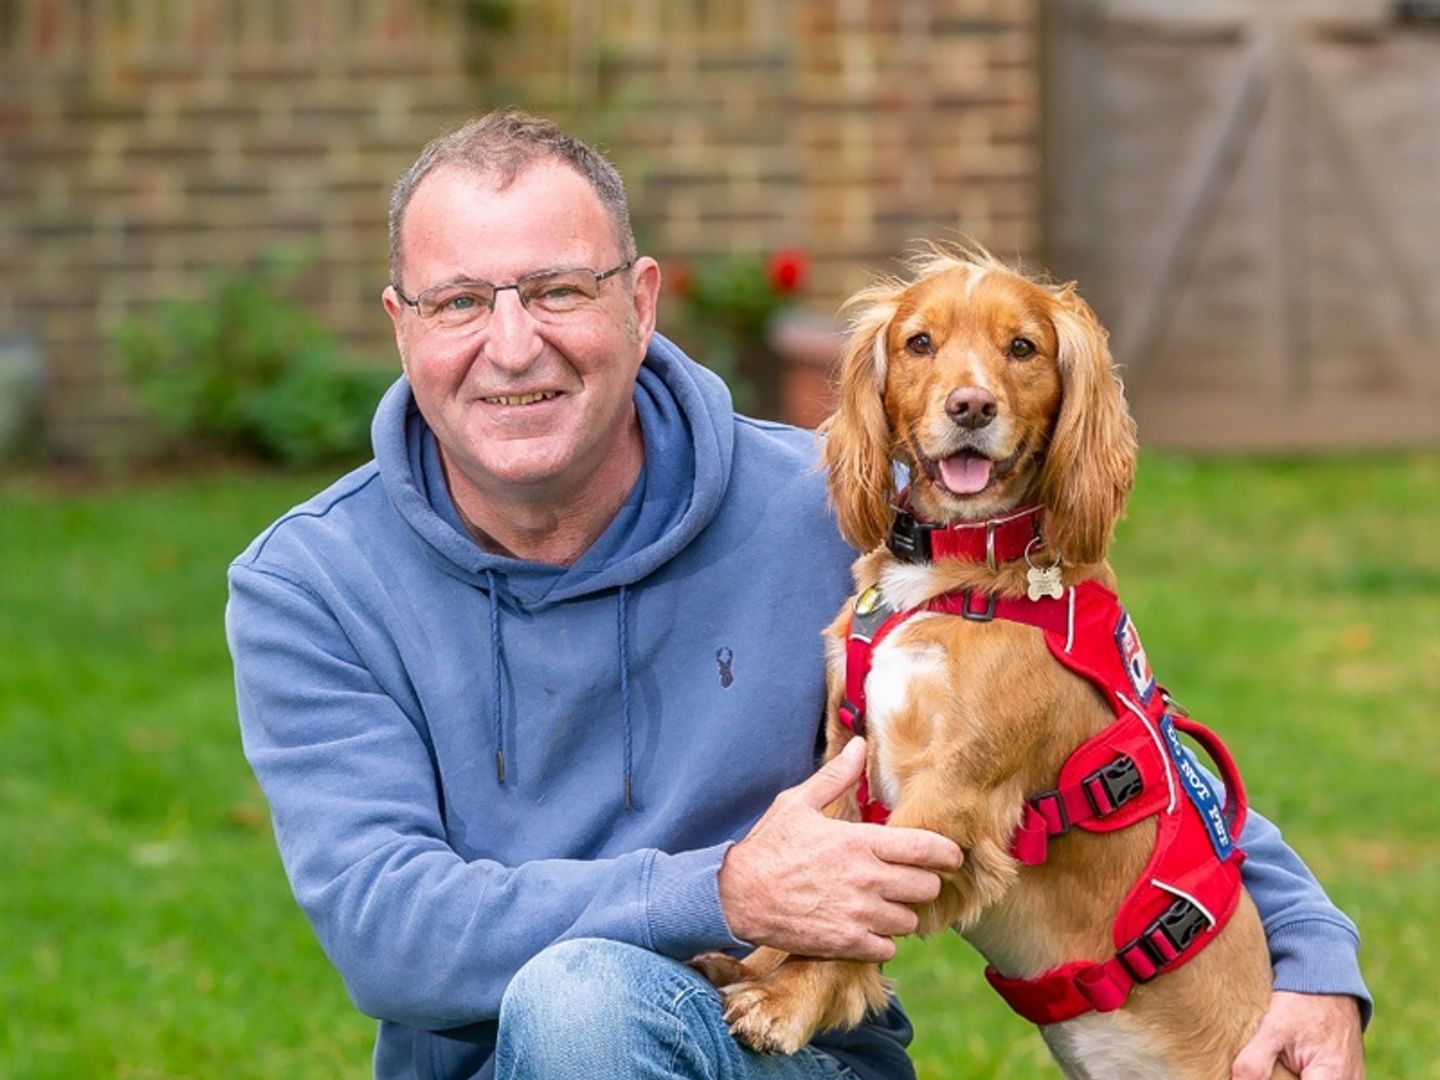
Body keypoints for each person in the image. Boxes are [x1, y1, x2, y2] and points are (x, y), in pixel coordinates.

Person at [226, 110, 1370, 1080]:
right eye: (461, 302)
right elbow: (389, 934)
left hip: (796, 1054)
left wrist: (1314, 960)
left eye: (556, 290)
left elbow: (1097, 734)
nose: (513, 345)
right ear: (401, 326)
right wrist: (726, 891)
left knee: (585, 1005)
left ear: (641, 301)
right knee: (582, 1003)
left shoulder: (845, 509)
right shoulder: (312, 585)